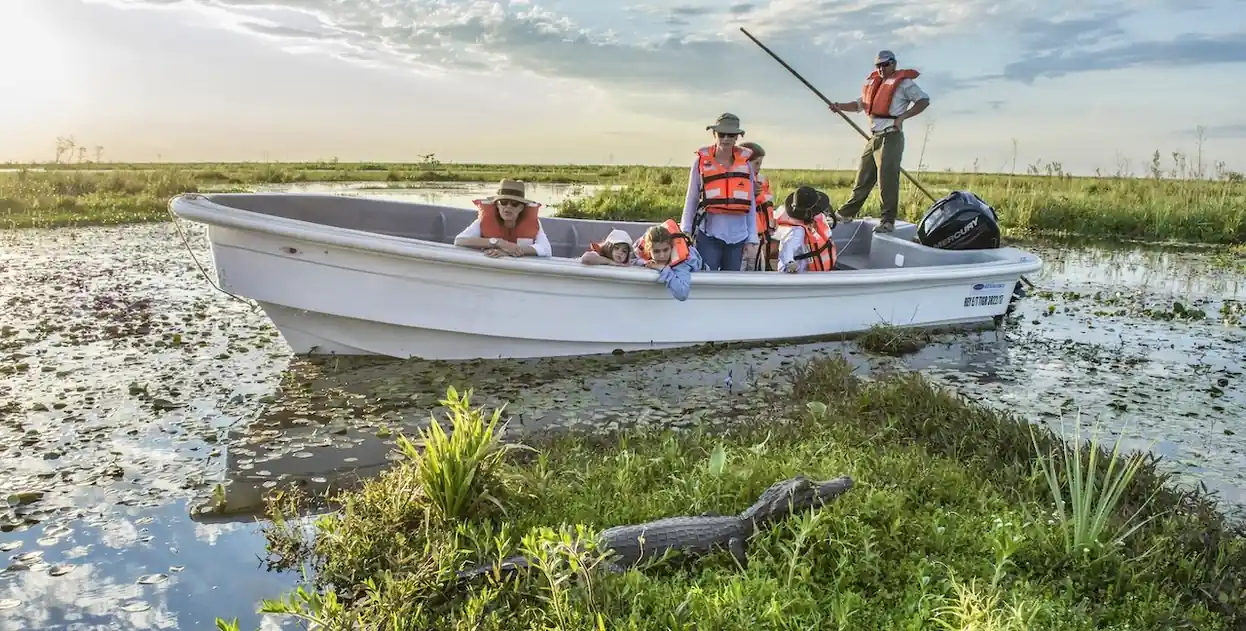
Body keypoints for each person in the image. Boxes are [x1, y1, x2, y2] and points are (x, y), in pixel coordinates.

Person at [827, 50, 930, 234]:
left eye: (885, 64)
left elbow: (923, 101)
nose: (882, 68)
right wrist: (839, 106)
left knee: (887, 179)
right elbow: (860, 104)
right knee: (863, 176)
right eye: (878, 65)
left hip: (891, 136)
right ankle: (846, 213)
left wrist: (903, 117)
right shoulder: (873, 84)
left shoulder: (905, 83)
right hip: (874, 137)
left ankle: (887, 221)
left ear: (894, 64)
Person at [679, 113, 759, 271]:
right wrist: (685, 230)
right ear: (714, 134)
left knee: (732, 283)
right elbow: (692, 198)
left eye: (731, 135)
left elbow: (751, 204)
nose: (726, 139)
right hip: (709, 234)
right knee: (707, 279)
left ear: (737, 137)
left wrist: (752, 237)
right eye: (722, 134)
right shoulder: (700, 163)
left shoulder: (746, 165)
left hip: (738, 237)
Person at [453, 179, 552, 258]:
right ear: (497, 205)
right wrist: (498, 242)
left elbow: (546, 249)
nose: (508, 207)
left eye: (514, 204)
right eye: (503, 202)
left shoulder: (533, 223)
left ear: (521, 208)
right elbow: (460, 240)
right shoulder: (485, 220)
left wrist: (509, 251)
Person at [634, 219, 702, 301]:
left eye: (666, 250)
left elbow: (682, 294)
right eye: (656, 251)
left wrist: (663, 269)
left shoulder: (682, 263)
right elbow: (632, 257)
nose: (662, 255)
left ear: (672, 247)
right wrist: (645, 263)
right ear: (648, 251)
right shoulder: (643, 245)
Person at [776, 186, 837, 274]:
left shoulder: (816, 219)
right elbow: (788, 247)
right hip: (803, 272)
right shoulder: (797, 231)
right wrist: (789, 263)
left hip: (819, 270)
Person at [738, 141, 776, 271]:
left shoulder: (761, 181)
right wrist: (750, 193)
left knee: (758, 267)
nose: (759, 167)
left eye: (760, 163)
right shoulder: (737, 183)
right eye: (756, 163)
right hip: (744, 238)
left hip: (759, 236)